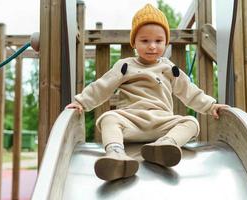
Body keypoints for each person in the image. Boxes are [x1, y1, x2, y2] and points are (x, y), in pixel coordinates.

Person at [65, 4, 228, 181]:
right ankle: (115, 152)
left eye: (158, 41)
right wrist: (81, 102)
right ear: (134, 42)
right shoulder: (125, 66)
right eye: (145, 41)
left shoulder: (169, 68)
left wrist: (211, 105)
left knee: (191, 122)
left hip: (161, 124)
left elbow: (189, 91)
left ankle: (166, 145)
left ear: (166, 42)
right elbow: (102, 86)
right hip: (131, 121)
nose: (152, 46)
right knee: (108, 118)